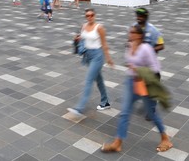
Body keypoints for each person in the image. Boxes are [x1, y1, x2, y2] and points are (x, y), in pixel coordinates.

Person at [101, 25, 172, 153]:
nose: (130, 33)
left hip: (144, 84)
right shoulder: (129, 45)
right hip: (131, 82)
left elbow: (155, 68)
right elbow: (130, 61)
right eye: (130, 31)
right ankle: (117, 143)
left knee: (151, 113)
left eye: (133, 32)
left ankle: (165, 138)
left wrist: (137, 69)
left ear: (139, 35)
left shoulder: (146, 48)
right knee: (124, 112)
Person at [67, 9, 114, 119]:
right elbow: (83, 39)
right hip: (88, 55)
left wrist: (108, 58)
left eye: (92, 15)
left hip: (97, 56)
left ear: (95, 15)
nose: (90, 17)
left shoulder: (99, 28)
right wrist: (77, 39)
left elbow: (104, 44)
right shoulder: (84, 26)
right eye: (87, 15)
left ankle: (79, 108)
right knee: (99, 80)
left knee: (89, 80)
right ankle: (105, 102)